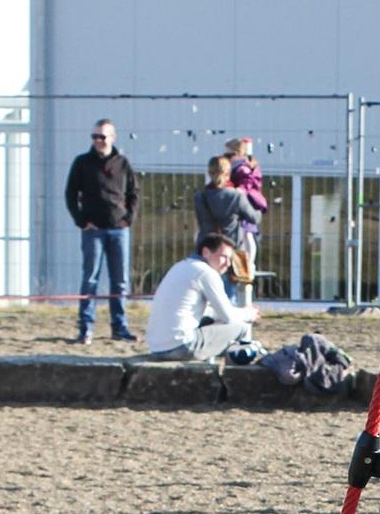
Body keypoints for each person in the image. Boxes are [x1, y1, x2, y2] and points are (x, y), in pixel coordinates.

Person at [64, 118, 138, 344]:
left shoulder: (123, 163)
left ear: (112, 138)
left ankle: (120, 327)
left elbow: (133, 193)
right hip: (92, 231)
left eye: (102, 137)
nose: (98, 140)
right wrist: (81, 221)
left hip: (118, 230)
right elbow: (70, 194)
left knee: (120, 281)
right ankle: (86, 328)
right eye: (95, 136)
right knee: (90, 279)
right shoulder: (82, 163)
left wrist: (127, 220)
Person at [144, 232, 257, 363]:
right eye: (223, 257)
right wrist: (249, 313)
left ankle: (211, 367)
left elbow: (211, 313)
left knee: (212, 324)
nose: (228, 264)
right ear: (206, 252)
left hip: (157, 349)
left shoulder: (180, 266)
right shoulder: (206, 273)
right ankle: (233, 378)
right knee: (241, 328)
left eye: (229, 259)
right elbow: (229, 317)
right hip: (181, 346)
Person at [194, 157, 256, 304]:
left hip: (206, 250)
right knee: (227, 297)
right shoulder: (235, 196)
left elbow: (200, 222)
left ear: (209, 172)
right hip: (228, 251)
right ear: (228, 173)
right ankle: (226, 323)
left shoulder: (200, 196)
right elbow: (254, 217)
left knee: (204, 296)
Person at [225, 136, 267, 296]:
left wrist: (238, 191)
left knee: (246, 236)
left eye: (228, 155)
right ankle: (249, 263)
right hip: (249, 206)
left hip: (245, 206)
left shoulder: (241, 168)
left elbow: (246, 185)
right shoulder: (248, 166)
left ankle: (248, 263)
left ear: (236, 154)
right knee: (248, 236)